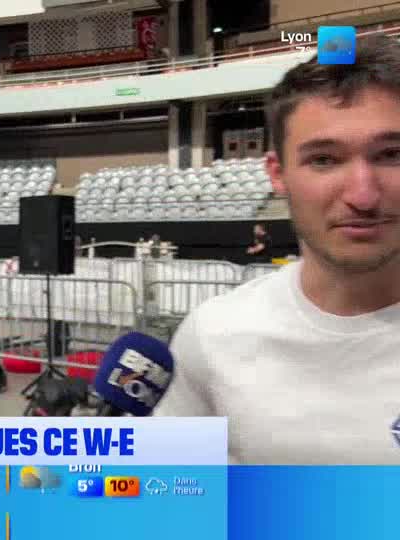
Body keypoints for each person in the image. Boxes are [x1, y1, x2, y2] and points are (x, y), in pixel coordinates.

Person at [153, 35, 400, 464]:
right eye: (323, 160)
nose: (363, 195)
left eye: (392, 154)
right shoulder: (213, 336)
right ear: (278, 173)